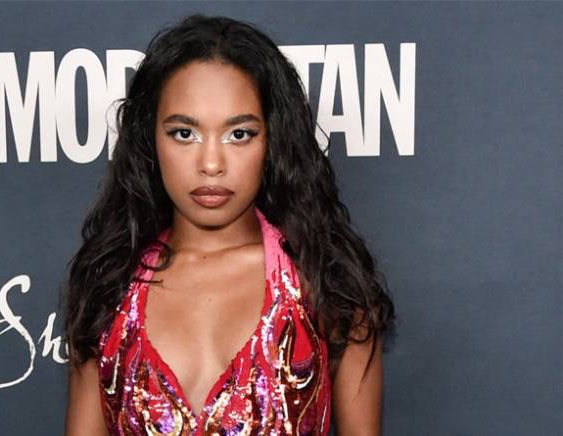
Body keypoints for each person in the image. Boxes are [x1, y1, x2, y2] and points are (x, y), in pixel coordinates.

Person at [62, 13, 396, 435]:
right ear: (149, 140)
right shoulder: (110, 287)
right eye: (184, 133)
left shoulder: (325, 285)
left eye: (239, 134)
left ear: (273, 140)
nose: (211, 163)